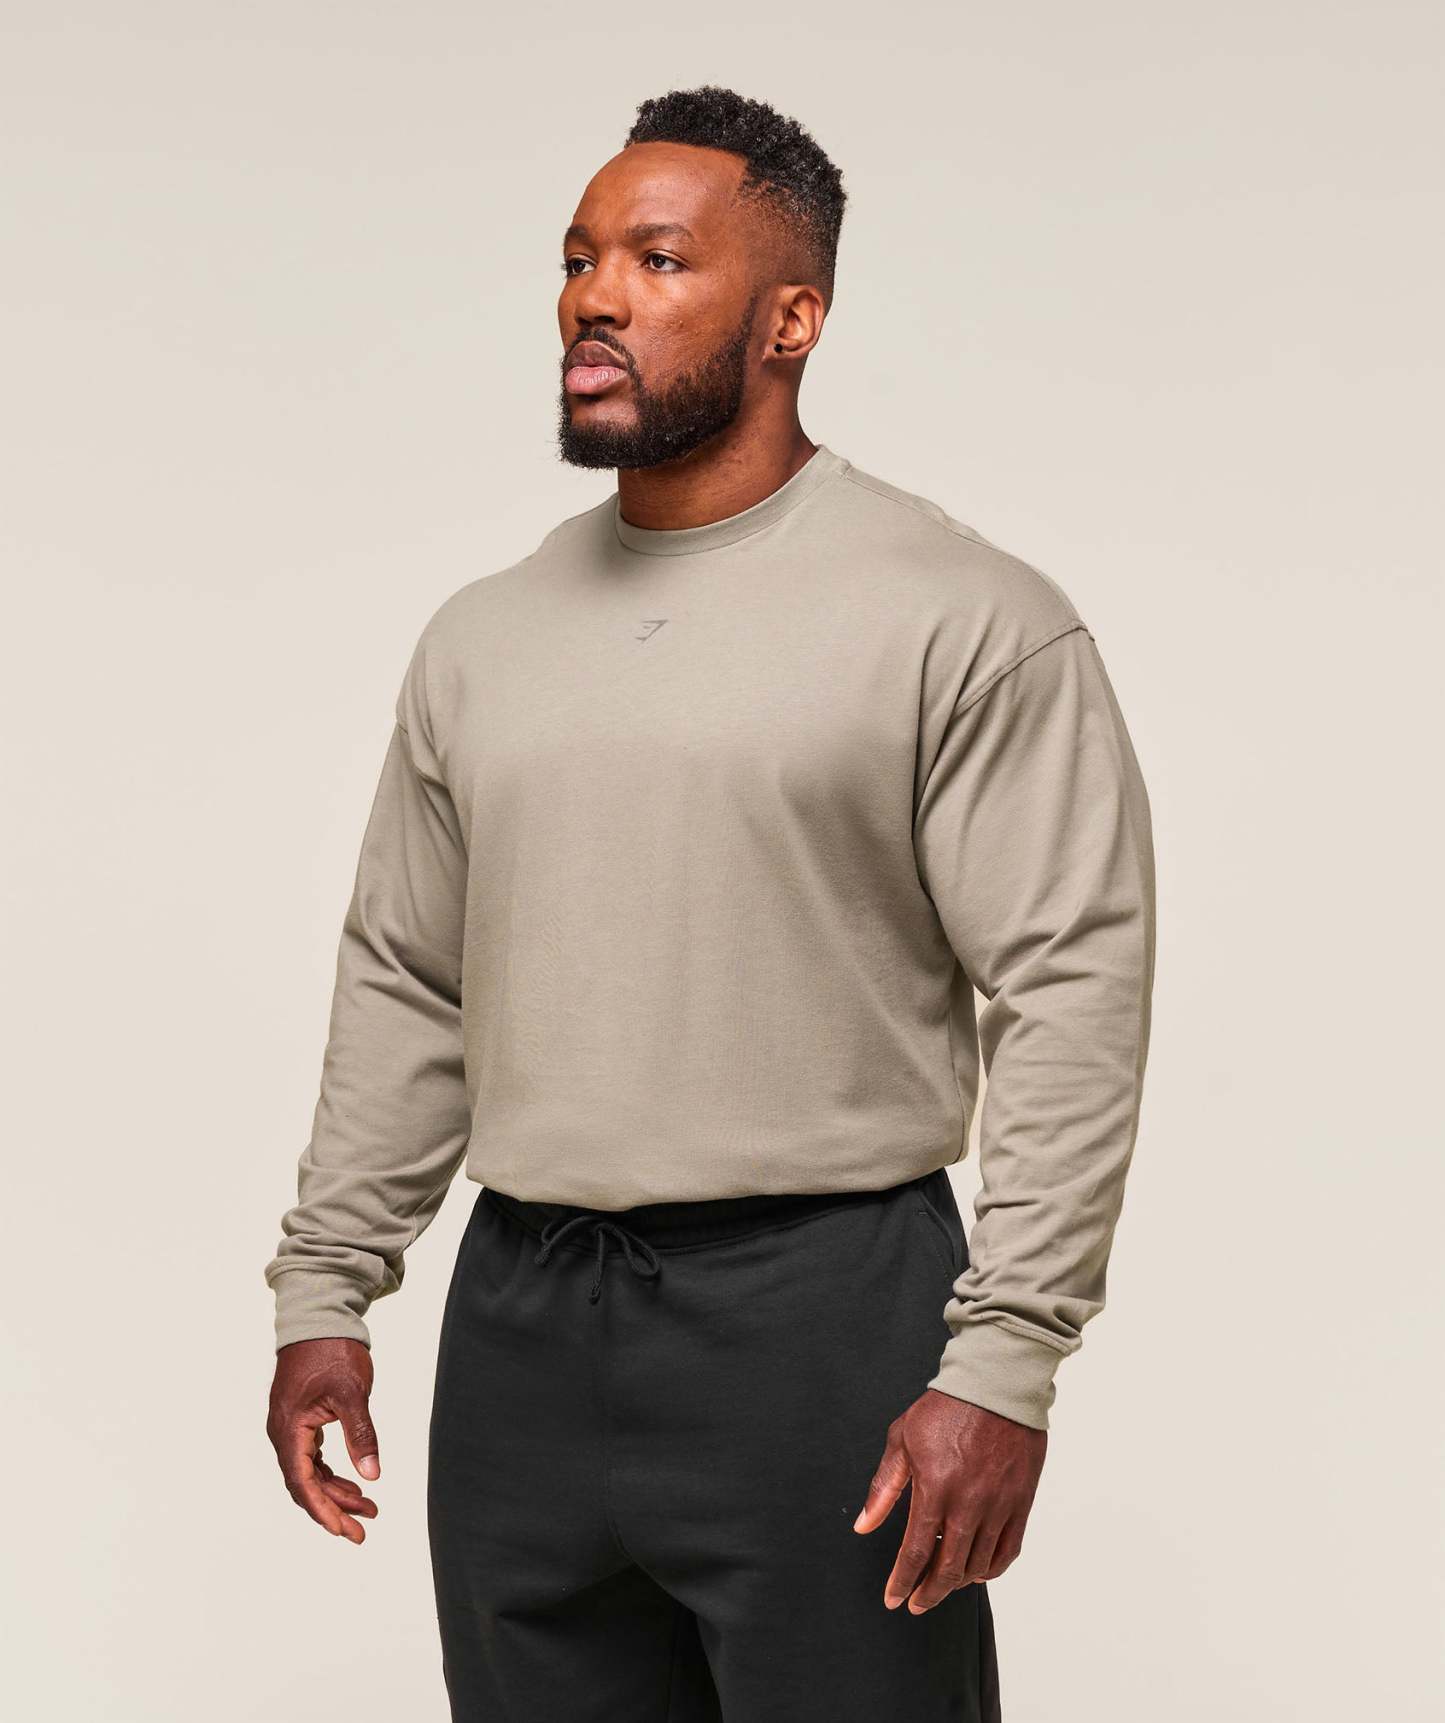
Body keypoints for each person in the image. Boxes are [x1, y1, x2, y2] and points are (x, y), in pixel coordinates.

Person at [263, 84, 1155, 1723]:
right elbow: (406, 974)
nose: (594, 298)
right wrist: (327, 1290)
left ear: (790, 320)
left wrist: (1004, 1362)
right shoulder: (482, 635)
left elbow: (1067, 987)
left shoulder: (960, 616)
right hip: (521, 1324)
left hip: (822, 1316)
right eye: (578, 259)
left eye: (659, 260)